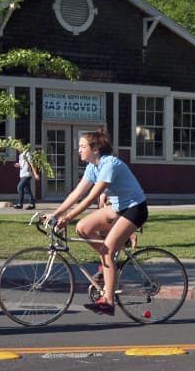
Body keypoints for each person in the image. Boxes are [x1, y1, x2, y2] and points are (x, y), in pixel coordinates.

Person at [50, 128, 148, 316]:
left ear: (95, 149)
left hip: (135, 209)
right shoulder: (92, 167)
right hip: (118, 207)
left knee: (107, 251)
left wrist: (68, 217)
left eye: (82, 146)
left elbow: (88, 199)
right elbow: (77, 194)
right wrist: (56, 214)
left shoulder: (109, 164)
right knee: (82, 228)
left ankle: (108, 301)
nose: (79, 150)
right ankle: (110, 264)